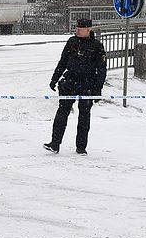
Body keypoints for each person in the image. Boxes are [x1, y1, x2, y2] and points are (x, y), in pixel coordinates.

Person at [43, 18, 106, 155]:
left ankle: (81, 147)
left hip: (87, 84)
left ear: (88, 30)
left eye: (80, 29)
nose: (76, 30)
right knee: (62, 113)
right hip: (70, 82)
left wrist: (98, 89)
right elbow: (63, 62)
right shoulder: (72, 42)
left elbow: (102, 69)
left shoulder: (96, 46)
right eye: (76, 28)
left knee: (84, 116)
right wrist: (54, 79)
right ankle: (55, 143)